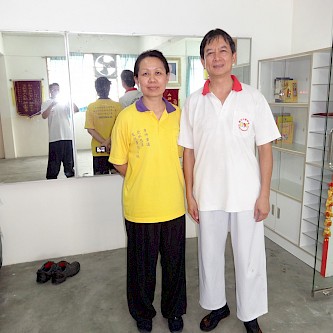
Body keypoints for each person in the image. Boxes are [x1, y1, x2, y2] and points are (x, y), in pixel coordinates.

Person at [178, 29, 281, 333]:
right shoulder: (194, 102)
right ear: (203, 61)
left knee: (249, 258)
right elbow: (188, 153)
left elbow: (265, 149)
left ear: (234, 56)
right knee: (209, 256)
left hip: (247, 194)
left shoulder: (253, 98)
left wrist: (264, 194)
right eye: (210, 52)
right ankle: (217, 306)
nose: (217, 57)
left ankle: (249, 313)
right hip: (207, 193)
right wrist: (190, 194)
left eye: (223, 50)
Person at [110, 50, 186, 333]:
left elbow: (185, 155)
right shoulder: (127, 118)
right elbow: (119, 161)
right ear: (137, 79)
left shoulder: (179, 116)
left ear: (167, 77)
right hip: (140, 207)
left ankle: (174, 311)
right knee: (141, 267)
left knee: (175, 265)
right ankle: (143, 312)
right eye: (145, 73)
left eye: (158, 73)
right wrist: (143, 179)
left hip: (173, 204)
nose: (152, 79)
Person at [85, 77, 123, 175]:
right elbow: (119, 128)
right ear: (109, 88)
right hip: (114, 147)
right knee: (116, 178)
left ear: (96, 89)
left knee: (100, 177)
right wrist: (108, 143)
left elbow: (90, 129)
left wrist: (104, 143)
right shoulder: (117, 106)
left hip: (99, 147)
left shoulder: (91, 107)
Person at [41, 83, 79, 180]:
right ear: (50, 91)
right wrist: (52, 105)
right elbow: (44, 116)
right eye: (54, 90)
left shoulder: (65, 102)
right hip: (54, 138)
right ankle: (52, 184)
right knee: (53, 165)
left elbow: (76, 110)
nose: (56, 91)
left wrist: (69, 100)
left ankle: (71, 180)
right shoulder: (46, 102)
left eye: (58, 89)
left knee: (69, 164)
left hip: (67, 137)